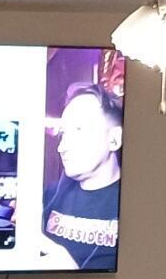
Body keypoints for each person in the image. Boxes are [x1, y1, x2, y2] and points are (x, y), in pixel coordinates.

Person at [41, 83, 122, 269]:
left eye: (78, 130)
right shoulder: (50, 196)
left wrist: (72, 272)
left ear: (114, 139)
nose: (62, 147)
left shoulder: (138, 209)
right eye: (63, 134)